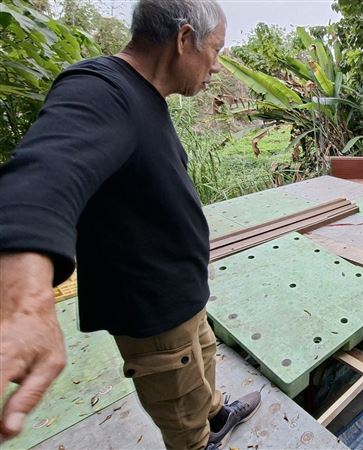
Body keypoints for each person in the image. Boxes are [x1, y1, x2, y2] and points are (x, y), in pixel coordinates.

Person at [0, 1, 261, 448]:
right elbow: (47, 170)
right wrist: (25, 296)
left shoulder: (147, 94)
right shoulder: (100, 89)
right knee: (182, 417)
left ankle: (216, 414)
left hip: (185, 294)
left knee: (203, 363)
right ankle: (201, 439)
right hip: (152, 313)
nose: (216, 66)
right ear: (183, 40)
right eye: (215, 51)